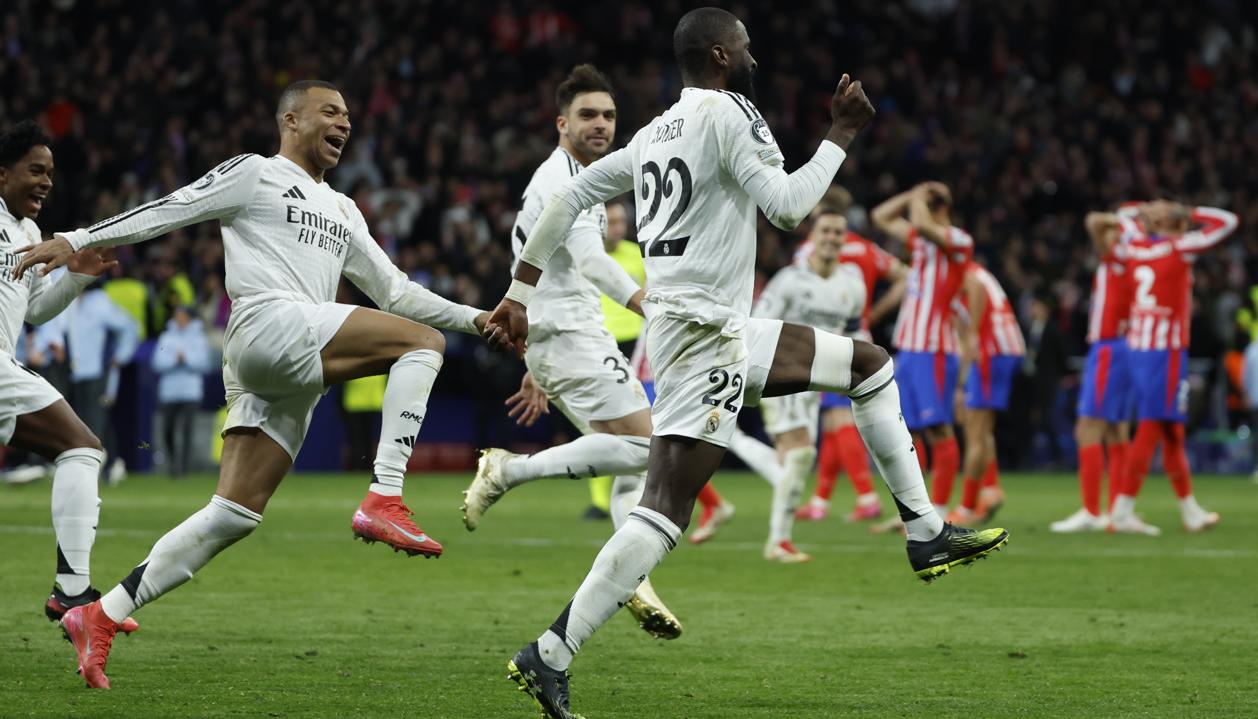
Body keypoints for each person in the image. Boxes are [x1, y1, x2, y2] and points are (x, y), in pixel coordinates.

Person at [481, 9, 1008, 717]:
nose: (756, 56)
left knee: (867, 363)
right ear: (724, 55)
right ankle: (548, 652)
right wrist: (841, 134)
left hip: (704, 326)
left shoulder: (658, 128)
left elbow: (572, 193)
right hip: (704, 336)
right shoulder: (731, 112)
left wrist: (518, 289)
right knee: (663, 510)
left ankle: (924, 530)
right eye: (749, 46)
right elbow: (789, 207)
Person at [15, 80, 488, 689]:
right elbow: (171, 207)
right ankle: (384, 496)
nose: (343, 123)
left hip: (291, 362)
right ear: (291, 119)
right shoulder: (255, 173)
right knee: (422, 344)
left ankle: (99, 616)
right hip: (267, 324)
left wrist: (477, 318)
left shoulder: (344, 209)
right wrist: (77, 239)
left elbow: (395, 291)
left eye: (347, 115)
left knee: (234, 513)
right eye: (329, 111)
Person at [460, 64, 681, 641]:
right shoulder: (564, 183)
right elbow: (587, 261)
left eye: (608, 115)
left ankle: (634, 576)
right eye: (587, 115)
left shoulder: (577, 175)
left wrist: (537, 356)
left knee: (640, 454)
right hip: (571, 338)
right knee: (648, 448)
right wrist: (644, 302)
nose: (601, 124)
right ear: (562, 123)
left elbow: (542, 265)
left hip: (568, 338)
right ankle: (510, 469)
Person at [0, 120, 137, 631]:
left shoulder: (29, 233)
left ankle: (72, 589)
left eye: (50, 173)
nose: (45, 182)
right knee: (81, 446)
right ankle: (73, 590)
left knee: (80, 447)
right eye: (35, 171)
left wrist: (77, 275)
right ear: (2, 174)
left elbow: (34, 308)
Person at [724, 208, 865, 562]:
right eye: (826, 231)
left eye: (838, 232)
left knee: (793, 463)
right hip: (779, 372)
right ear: (812, 237)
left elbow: (852, 331)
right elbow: (756, 322)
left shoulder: (853, 283)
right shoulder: (789, 280)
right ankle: (778, 542)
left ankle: (733, 440)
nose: (832, 238)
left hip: (816, 383)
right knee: (801, 455)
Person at [1109, 200, 1237, 535]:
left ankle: (1190, 510)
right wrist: (1188, 211)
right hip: (1164, 351)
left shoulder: (1136, 243)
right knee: (1153, 425)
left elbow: (1123, 212)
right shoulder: (1181, 246)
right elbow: (1227, 221)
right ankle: (1122, 509)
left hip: (1140, 347)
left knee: (1172, 431)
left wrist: (1148, 210)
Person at [795, 199, 908, 522]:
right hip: (861, 337)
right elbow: (904, 276)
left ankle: (867, 496)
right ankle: (820, 501)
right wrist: (874, 313)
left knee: (838, 421)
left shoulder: (812, 249)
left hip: (829, 341)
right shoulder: (868, 249)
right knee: (834, 423)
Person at [871, 181, 971, 517]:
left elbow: (923, 224)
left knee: (939, 429)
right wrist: (914, 191)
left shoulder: (958, 240)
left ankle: (939, 509)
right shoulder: (922, 245)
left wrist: (917, 199)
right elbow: (880, 215)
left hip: (935, 350)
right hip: (909, 351)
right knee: (909, 431)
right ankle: (918, 509)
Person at [1051, 207, 1139, 532]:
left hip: (1109, 348)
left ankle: (1091, 510)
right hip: (1122, 347)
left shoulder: (1120, 257)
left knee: (1087, 427)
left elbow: (1091, 221)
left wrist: (1124, 221)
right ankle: (1118, 512)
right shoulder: (1134, 259)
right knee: (1116, 429)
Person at [948, 262, 1024, 525]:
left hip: (991, 351)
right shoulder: (975, 267)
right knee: (978, 425)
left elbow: (973, 288)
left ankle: (967, 507)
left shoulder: (957, 269)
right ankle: (990, 488)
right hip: (1003, 347)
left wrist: (971, 340)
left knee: (975, 432)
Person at [151, 304, 211, 479]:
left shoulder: (198, 338)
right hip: (169, 391)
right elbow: (157, 362)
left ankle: (183, 468)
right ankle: (172, 463)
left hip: (191, 391)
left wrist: (186, 359)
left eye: (182, 315)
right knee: (167, 430)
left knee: (187, 430)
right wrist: (174, 361)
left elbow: (205, 364)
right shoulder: (166, 337)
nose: (178, 319)